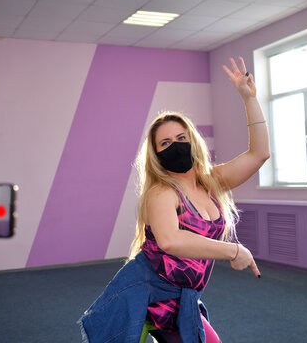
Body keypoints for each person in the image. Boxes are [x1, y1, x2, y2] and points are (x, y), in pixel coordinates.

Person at [79, 57, 270, 343]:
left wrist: (249, 98)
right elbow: (170, 240)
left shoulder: (211, 181)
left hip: (183, 297)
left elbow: (259, 154)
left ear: (192, 140)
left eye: (181, 137)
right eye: (165, 143)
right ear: (156, 155)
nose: (175, 145)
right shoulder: (161, 192)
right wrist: (232, 251)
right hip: (148, 294)